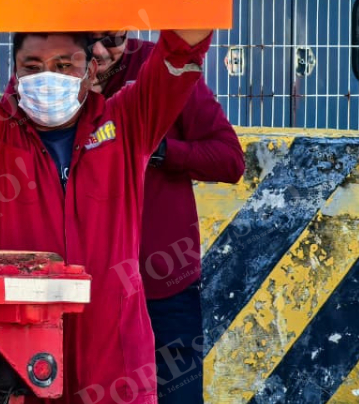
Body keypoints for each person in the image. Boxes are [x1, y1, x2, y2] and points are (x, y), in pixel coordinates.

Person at [0, 0, 252, 403]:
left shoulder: (128, 125)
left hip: (115, 369)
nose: (47, 75)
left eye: (63, 64)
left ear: (90, 71)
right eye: (32, 65)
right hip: (15, 370)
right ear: (14, 73)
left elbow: (181, 50)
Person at [89, 28, 245, 404]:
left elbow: (229, 159)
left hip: (162, 284)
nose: (99, 52)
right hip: (85, 286)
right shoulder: (50, 71)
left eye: (111, 39)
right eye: (84, 40)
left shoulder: (161, 68)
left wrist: (156, 149)